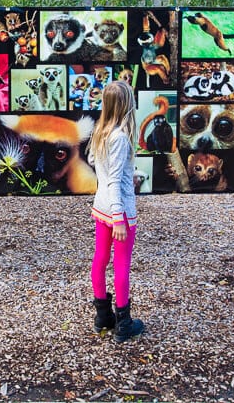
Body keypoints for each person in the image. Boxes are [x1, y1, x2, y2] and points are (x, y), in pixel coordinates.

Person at [87, 80, 144, 343]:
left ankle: (103, 317)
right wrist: (119, 218)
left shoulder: (101, 130)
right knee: (121, 265)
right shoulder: (120, 137)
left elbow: (94, 163)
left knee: (100, 259)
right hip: (118, 211)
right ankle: (123, 323)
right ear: (125, 105)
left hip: (101, 207)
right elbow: (112, 181)